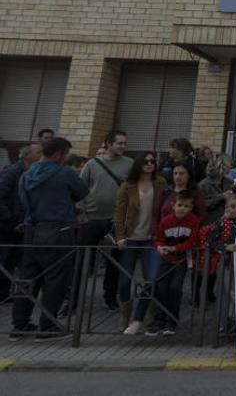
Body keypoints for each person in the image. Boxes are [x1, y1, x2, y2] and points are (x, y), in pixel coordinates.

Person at [11, 138, 88, 341]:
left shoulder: (27, 174)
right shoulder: (64, 174)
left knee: (28, 278)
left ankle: (19, 325)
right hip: (59, 231)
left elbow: (22, 198)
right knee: (56, 279)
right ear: (59, 154)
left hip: (31, 230)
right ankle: (47, 326)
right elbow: (82, 192)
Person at [78, 130, 133, 312]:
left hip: (116, 221)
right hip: (91, 219)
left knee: (115, 263)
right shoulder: (92, 164)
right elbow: (80, 189)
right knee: (84, 261)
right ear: (108, 144)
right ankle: (75, 299)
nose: (123, 146)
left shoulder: (129, 164)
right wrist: (83, 216)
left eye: (124, 143)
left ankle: (110, 298)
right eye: (119, 143)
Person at [113, 152, 166, 335]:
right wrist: (120, 236)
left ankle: (142, 317)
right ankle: (124, 315)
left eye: (153, 161)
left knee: (150, 279)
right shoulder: (127, 186)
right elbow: (119, 213)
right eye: (146, 161)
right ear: (138, 165)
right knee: (124, 280)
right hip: (131, 237)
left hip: (152, 237)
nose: (150, 164)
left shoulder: (160, 183)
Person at [148, 191, 200, 337]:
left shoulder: (193, 221)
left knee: (175, 288)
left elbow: (193, 241)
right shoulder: (165, 221)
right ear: (173, 206)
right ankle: (159, 320)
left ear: (191, 207)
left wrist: (175, 248)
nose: (182, 208)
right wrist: (159, 247)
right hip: (166, 258)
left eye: (185, 206)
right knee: (161, 287)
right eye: (179, 205)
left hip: (181, 260)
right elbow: (158, 238)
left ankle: (172, 320)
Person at [0, 143, 41, 303]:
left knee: (12, 263)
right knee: (4, 260)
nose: (42, 155)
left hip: (21, 227)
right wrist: (9, 218)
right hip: (6, 226)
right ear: (27, 156)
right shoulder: (12, 172)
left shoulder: (32, 172)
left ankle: (4, 293)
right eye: (39, 152)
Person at [198, 154, 234, 225]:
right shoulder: (203, 184)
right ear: (222, 165)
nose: (231, 166)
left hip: (227, 224)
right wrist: (221, 196)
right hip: (209, 224)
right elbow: (201, 205)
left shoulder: (230, 182)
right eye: (229, 164)